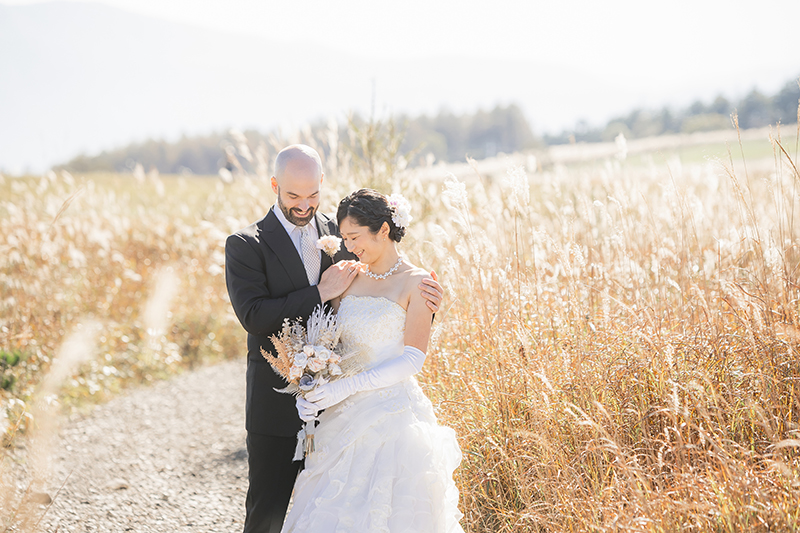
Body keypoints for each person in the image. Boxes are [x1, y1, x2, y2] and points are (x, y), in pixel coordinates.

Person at [224, 145, 443, 533]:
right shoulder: (246, 244)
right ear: (274, 185)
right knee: (267, 515)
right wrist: (320, 293)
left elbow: (385, 288)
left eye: (313, 194)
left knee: (336, 513)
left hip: (342, 408)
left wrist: (427, 302)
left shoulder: (341, 232)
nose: (304, 205)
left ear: (322, 183)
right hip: (276, 405)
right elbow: (254, 317)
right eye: (293, 195)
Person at [283, 188, 464, 532]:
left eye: (354, 237)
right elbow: (331, 345)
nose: (348, 246)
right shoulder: (347, 276)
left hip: (393, 414)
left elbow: (413, 359)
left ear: (383, 229)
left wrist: (348, 387)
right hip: (342, 415)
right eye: (344, 238)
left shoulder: (418, 282)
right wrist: (313, 390)